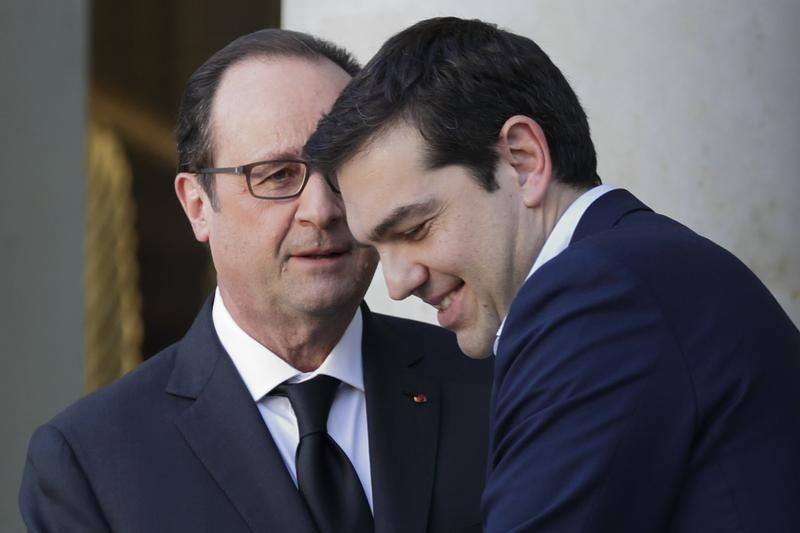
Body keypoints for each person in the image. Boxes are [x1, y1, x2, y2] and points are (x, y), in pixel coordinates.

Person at [304, 16, 800, 533]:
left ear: (522, 159)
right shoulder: (638, 270)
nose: (398, 282)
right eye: (378, 248)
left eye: (415, 227)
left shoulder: (598, 294)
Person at [19, 28, 492, 533]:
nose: (322, 209)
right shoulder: (90, 464)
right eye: (277, 176)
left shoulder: (492, 389)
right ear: (198, 206)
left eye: (342, 170)